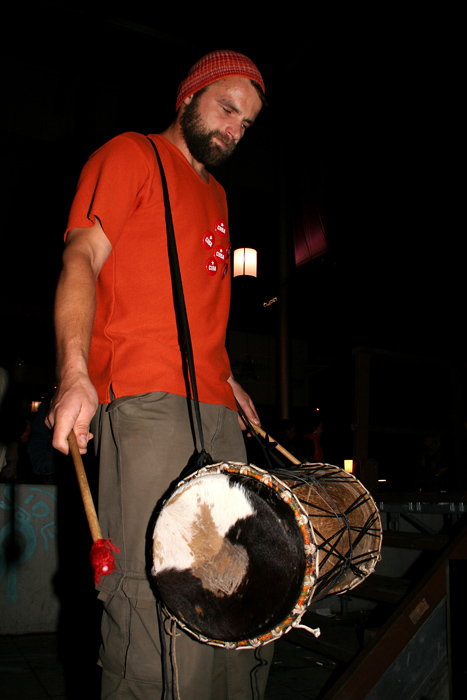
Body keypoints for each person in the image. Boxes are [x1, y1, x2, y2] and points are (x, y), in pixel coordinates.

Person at [46, 50, 273, 700]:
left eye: (246, 124)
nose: (234, 129)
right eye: (226, 109)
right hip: (146, 404)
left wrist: (224, 378)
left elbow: (196, 309)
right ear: (188, 95)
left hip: (215, 411)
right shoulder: (130, 155)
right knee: (159, 597)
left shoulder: (219, 196)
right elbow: (82, 258)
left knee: (233, 591)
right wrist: (74, 371)